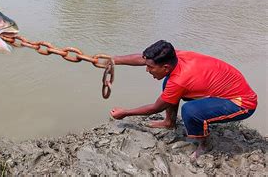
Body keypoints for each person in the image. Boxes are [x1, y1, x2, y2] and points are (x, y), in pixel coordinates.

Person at [107, 40, 257, 159]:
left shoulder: (179, 80)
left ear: (165, 67)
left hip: (242, 103)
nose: (147, 70)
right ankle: (169, 122)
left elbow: (156, 107)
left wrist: (125, 113)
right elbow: (143, 58)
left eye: (150, 68)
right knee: (168, 84)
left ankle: (204, 145)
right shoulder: (175, 57)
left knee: (190, 111)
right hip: (224, 90)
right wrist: (114, 60)